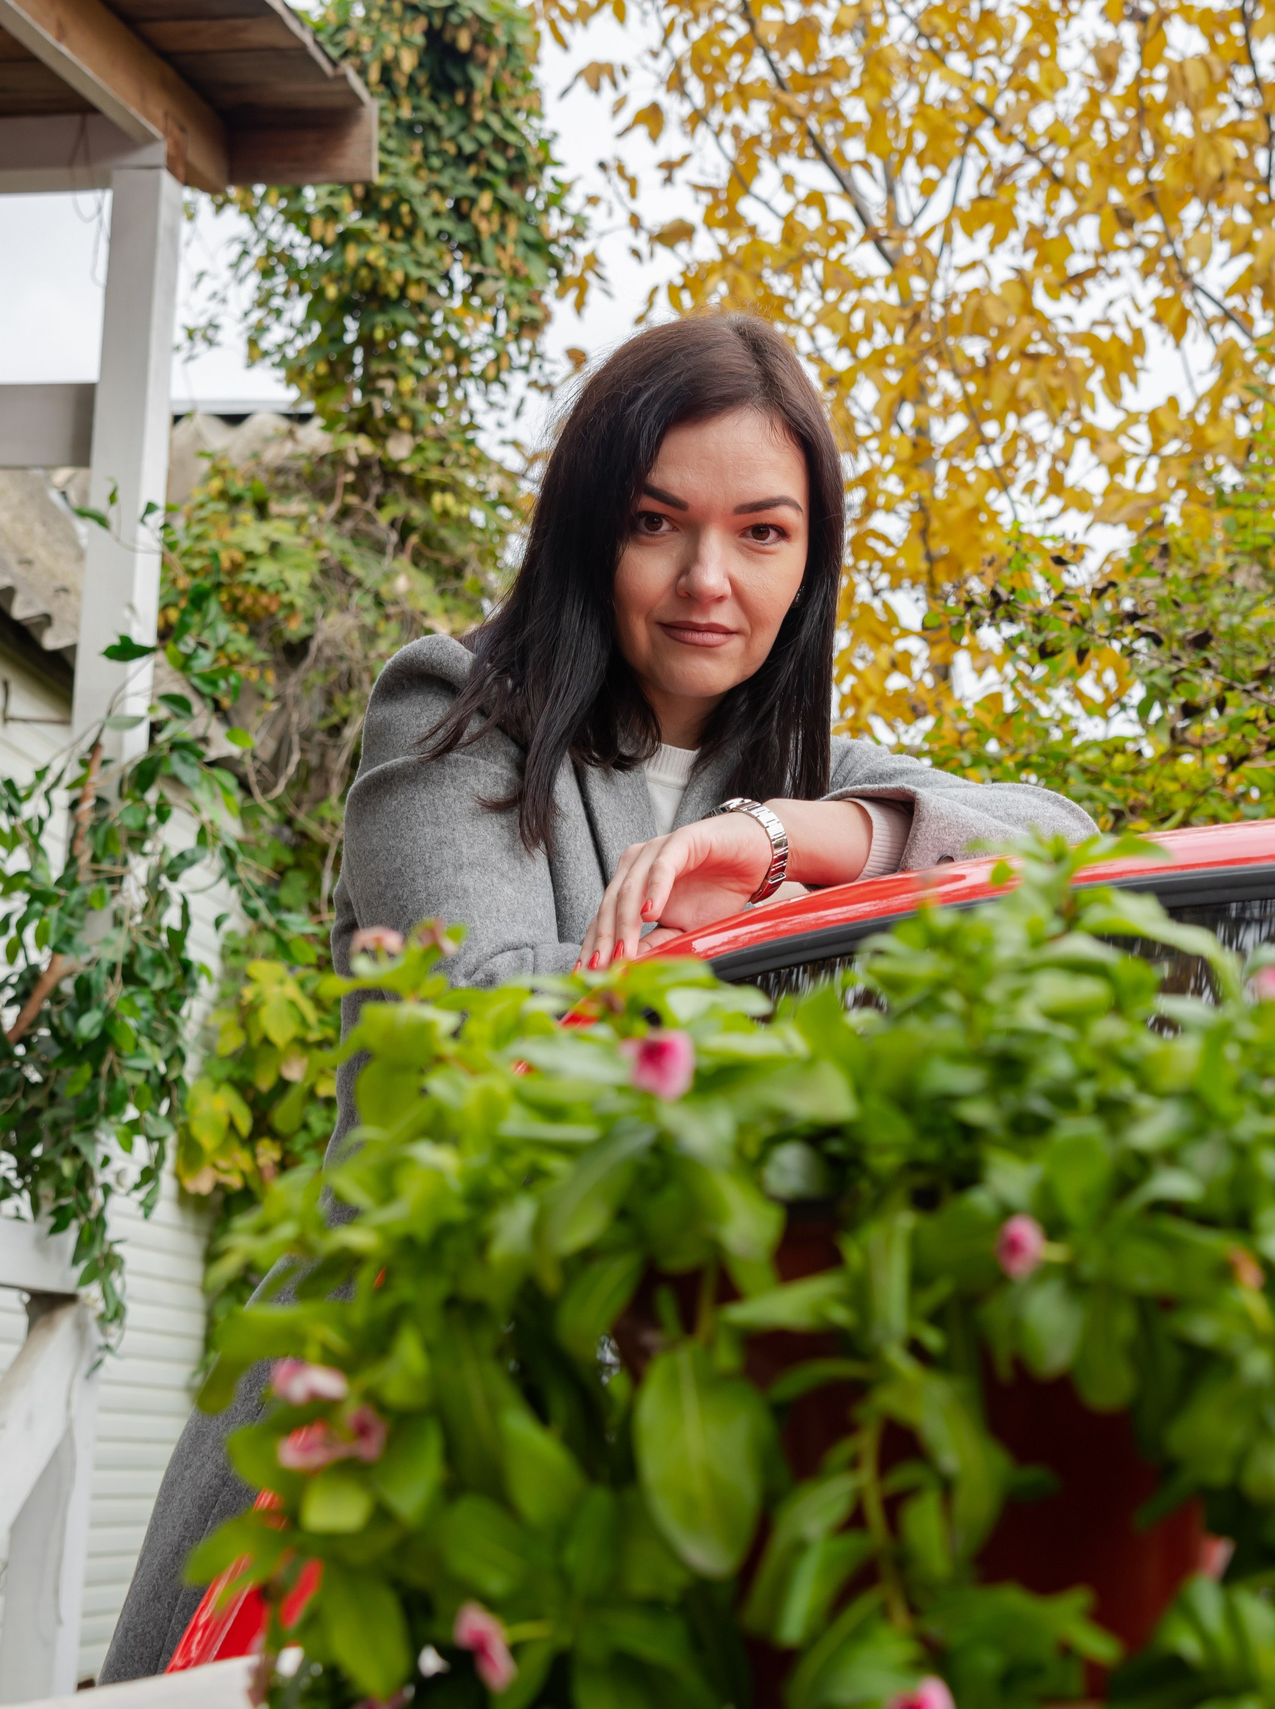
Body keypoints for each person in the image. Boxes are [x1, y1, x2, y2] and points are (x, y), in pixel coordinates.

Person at [100, 314, 1095, 1680]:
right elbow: (476, 1039)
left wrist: (802, 844)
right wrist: (786, 987)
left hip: (700, 1467)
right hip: (399, 1437)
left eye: (762, 532)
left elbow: (1068, 844)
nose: (709, 578)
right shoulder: (452, 718)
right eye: (656, 520)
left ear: (810, 559)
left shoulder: (818, 771)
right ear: (590, 528)